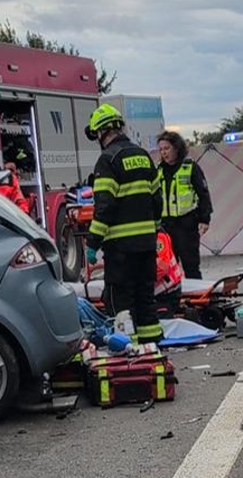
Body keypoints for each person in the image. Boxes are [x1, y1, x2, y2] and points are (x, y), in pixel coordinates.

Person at [83, 103, 163, 346]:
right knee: (145, 299)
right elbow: (156, 200)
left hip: (120, 249)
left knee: (120, 303)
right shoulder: (143, 156)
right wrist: (153, 230)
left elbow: (104, 206)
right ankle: (152, 350)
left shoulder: (107, 160)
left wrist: (92, 243)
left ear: (102, 132)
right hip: (147, 245)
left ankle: (128, 352)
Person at [154, 130, 212, 280]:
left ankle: (196, 299)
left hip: (186, 225)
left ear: (176, 148)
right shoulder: (159, 170)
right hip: (165, 226)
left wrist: (205, 219)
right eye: (161, 149)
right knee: (166, 267)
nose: (163, 153)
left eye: (167, 148)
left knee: (191, 266)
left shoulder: (190, 167)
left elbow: (203, 194)